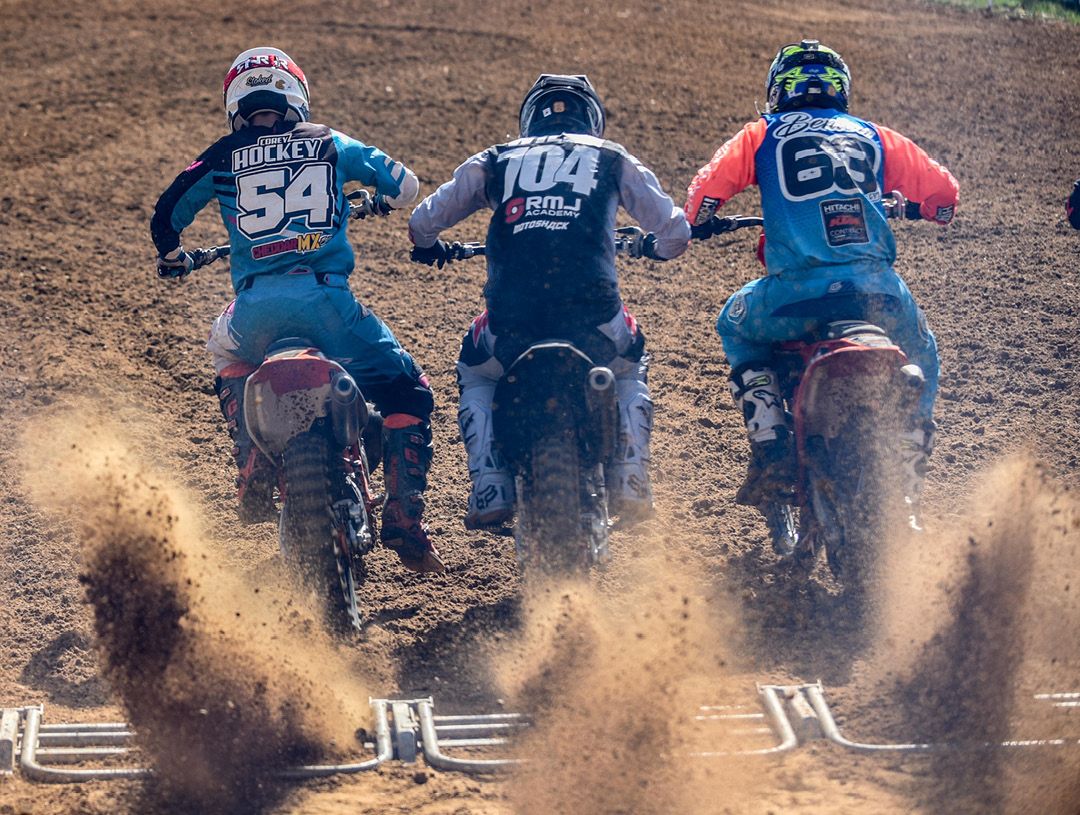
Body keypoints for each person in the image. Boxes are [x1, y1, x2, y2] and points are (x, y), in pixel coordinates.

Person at [150, 46, 444, 573]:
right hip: (328, 303)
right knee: (409, 390)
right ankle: (403, 515)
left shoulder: (221, 155)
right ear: (296, 96)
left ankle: (251, 460)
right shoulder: (328, 141)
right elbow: (406, 187)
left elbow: (166, 213)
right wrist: (373, 197)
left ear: (236, 102)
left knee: (222, 350)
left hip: (254, 312)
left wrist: (173, 256)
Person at [684, 40, 959, 528]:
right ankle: (909, 466)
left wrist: (700, 221)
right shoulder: (874, 136)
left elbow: (704, 195)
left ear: (778, 90)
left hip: (795, 296)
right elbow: (944, 196)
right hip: (879, 295)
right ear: (841, 91)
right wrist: (921, 210)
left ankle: (770, 442)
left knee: (735, 324)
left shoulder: (761, 134)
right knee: (922, 350)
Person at [408, 74, 690, 529]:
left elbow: (423, 221)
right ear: (593, 119)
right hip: (594, 317)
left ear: (528, 118)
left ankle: (489, 480)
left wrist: (429, 247)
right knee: (631, 363)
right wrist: (654, 247)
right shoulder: (612, 156)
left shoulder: (495, 158)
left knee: (474, 370)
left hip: (512, 319)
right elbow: (676, 233)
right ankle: (631, 474)